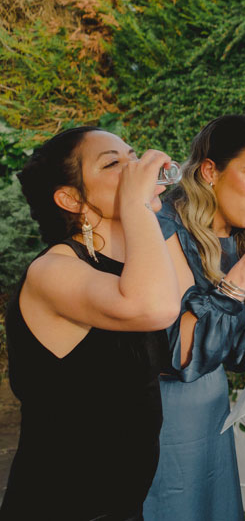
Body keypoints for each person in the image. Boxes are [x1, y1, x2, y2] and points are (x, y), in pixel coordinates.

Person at [2, 127, 180, 520]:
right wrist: (136, 204)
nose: (136, 168)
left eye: (133, 156)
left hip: (123, 505)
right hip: (61, 507)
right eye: (114, 163)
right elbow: (155, 307)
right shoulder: (52, 271)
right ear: (72, 199)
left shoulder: (131, 268)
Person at [143, 115, 245, 521]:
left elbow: (222, 337)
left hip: (212, 412)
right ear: (210, 171)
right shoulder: (164, 229)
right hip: (163, 416)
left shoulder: (234, 235)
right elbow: (180, 353)